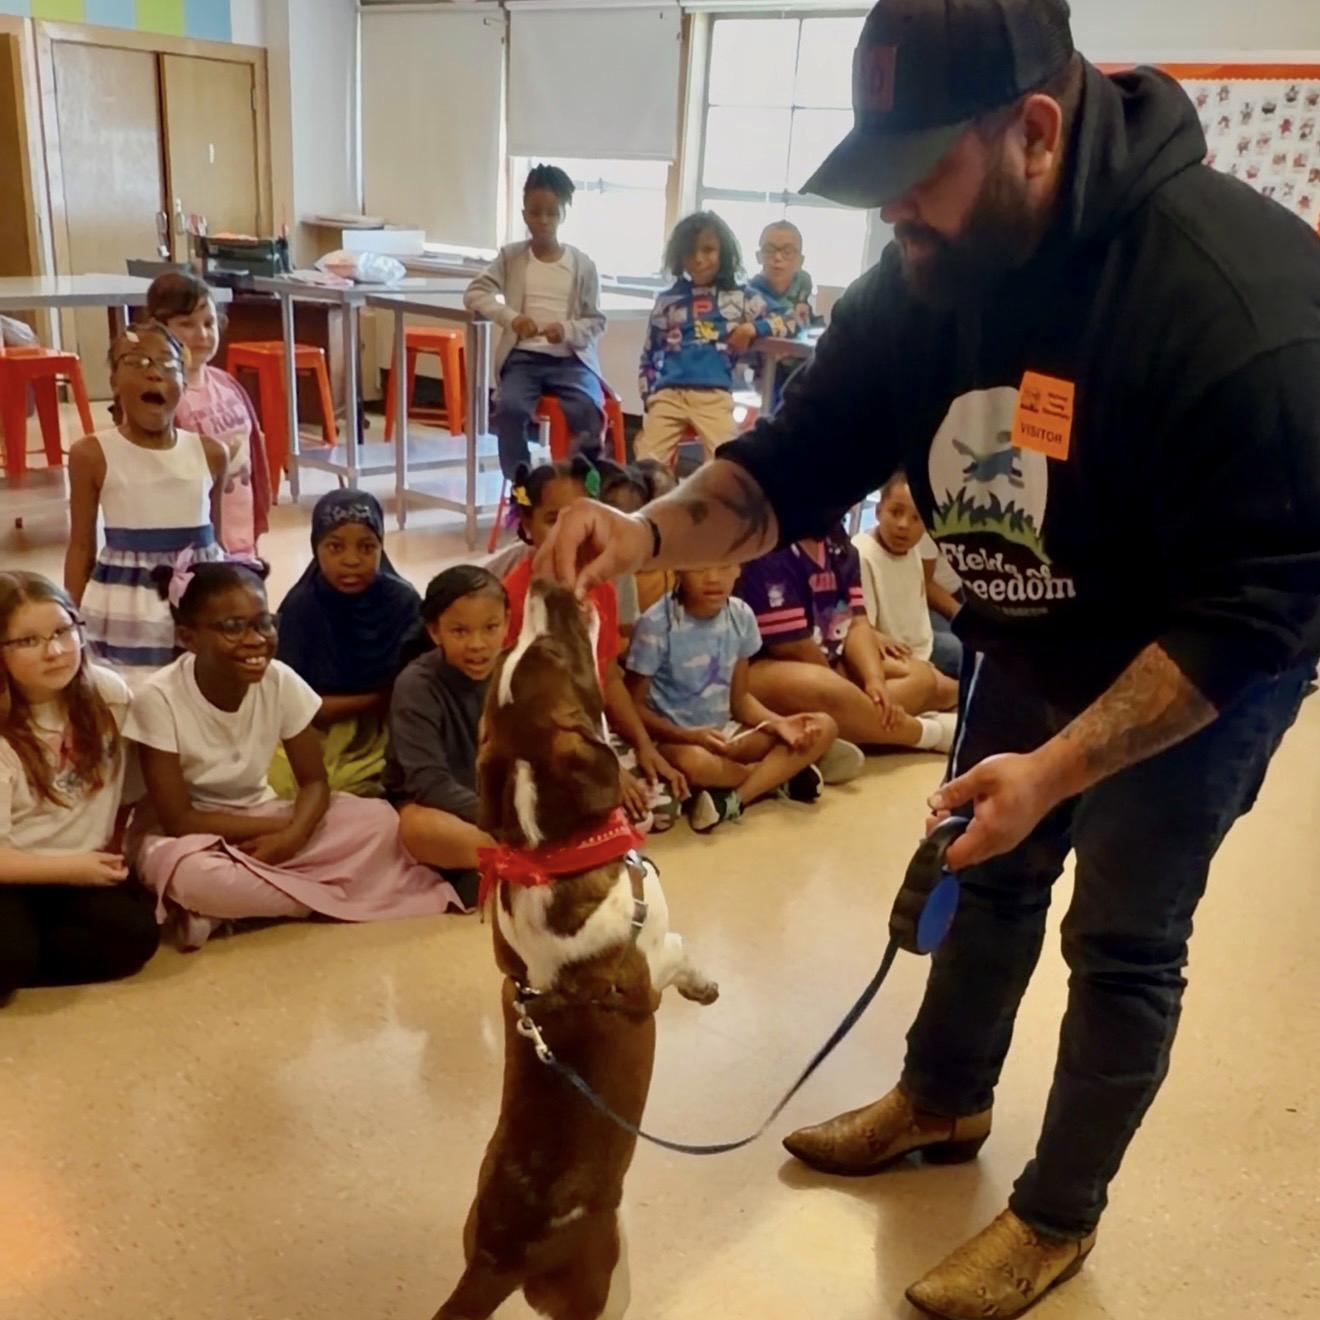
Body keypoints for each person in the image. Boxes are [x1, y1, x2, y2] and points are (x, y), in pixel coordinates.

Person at [533, 2, 1320, 1313]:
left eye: (916, 175)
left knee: (1124, 937)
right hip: (1032, 629)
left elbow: (1255, 611)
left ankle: (1056, 1217)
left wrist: (1058, 769)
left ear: (1036, 132)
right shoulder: (925, 277)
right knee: (987, 874)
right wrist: (644, 534)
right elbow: (794, 464)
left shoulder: (1235, 300)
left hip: (1195, 668)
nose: (890, 210)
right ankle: (943, 1100)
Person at [126, 559, 460, 952]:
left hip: (263, 816)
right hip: (187, 838)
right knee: (194, 876)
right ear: (188, 637)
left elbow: (315, 781)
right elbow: (180, 819)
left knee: (381, 821)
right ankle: (317, 897)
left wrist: (294, 834)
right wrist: (281, 832)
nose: (256, 639)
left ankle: (231, 910)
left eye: (264, 623)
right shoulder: (158, 698)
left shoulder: (279, 680)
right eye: (233, 627)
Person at [503, 456, 688, 830]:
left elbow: (608, 676)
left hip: (592, 731)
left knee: (661, 804)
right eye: (553, 520)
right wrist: (609, 767)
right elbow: (526, 707)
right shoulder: (514, 598)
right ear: (526, 523)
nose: (569, 533)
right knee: (607, 814)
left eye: (579, 519)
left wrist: (643, 744)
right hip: (539, 740)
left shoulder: (601, 587)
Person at [0, 573, 158, 1006]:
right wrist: (72, 869)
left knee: (135, 936)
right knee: (8, 956)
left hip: (77, 870)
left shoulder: (107, 695)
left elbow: (132, 790)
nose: (54, 651)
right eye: (28, 641)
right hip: (12, 871)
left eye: (63, 631)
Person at [625, 565, 857, 834]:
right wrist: (689, 736)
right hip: (675, 742)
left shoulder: (741, 615)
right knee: (695, 762)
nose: (713, 578)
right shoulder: (656, 624)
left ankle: (735, 798)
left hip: (726, 735)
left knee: (823, 725)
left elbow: (741, 701)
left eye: (725, 566)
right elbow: (633, 707)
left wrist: (779, 724)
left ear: (739, 567)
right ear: (678, 568)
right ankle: (778, 776)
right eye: (699, 568)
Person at [66, 323, 228, 690]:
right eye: (137, 362)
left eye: (168, 364)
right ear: (114, 381)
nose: (154, 373)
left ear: (183, 383)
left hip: (198, 597)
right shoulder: (91, 454)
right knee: (133, 693)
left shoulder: (211, 453)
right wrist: (70, 620)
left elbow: (216, 543)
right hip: (125, 603)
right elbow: (80, 546)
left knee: (199, 687)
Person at [738, 524, 958, 753]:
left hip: (834, 659)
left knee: (921, 676)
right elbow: (792, 647)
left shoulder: (837, 540)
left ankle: (844, 730)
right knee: (825, 687)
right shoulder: (771, 549)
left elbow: (856, 622)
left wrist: (874, 681)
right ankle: (925, 733)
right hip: (766, 667)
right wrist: (843, 690)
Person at [270, 491, 421, 799]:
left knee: (391, 780)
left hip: (392, 725)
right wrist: (379, 697)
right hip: (314, 730)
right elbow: (298, 705)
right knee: (287, 784)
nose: (351, 560)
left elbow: (421, 687)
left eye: (367, 547)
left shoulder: (402, 603)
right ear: (316, 547)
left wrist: (390, 702)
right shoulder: (302, 607)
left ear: (381, 547)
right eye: (335, 547)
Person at [465, 163, 607, 479]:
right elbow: (475, 293)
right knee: (509, 410)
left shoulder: (582, 265)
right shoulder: (511, 257)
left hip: (571, 361)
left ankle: (584, 484)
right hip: (523, 360)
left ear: (564, 214)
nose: (543, 221)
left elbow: (596, 321)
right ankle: (522, 486)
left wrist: (566, 330)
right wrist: (512, 318)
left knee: (587, 409)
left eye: (552, 213)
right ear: (524, 214)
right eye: (535, 212)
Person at [384, 567, 508, 909]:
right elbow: (429, 784)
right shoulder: (416, 685)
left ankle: (493, 868)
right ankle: (527, 862)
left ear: (507, 624)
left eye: (490, 628)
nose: (477, 644)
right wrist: (504, 821)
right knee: (418, 828)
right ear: (435, 632)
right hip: (442, 808)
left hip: (502, 806)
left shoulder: (517, 671)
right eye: (460, 631)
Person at [635, 211, 793, 468]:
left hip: (713, 395)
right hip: (667, 395)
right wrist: (648, 395)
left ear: (723, 253)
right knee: (646, 465)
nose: (698, 259)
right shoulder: (667, 301)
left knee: (725, 463)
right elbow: (650, 353)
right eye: (690, 251)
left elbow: (790, 319)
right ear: (679, 256)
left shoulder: (739, 297)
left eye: (708, 250)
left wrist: (752, 329)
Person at [146, 271, 272, 556]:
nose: (201, 335)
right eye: (186, 324)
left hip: (241, 533)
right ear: (158, 328)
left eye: (208, 323)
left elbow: (253, 452)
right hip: (194, 544)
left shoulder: (227, 384)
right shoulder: (161, 398)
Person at [854, 473, 964, 680]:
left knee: (973, 650)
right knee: (964, 659)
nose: (904, 525)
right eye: (896, 512)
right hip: (896, 652)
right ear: (878, 511)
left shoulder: (912, 550)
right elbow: (862, 627)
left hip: (921, 643)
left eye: (916, 518)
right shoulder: (862, 554)